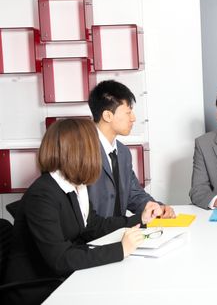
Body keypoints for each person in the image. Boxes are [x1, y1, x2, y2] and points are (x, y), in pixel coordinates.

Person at [3, 119, 161, 305]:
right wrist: (120, 249)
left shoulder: (75, 186)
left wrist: (139, 219)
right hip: (38, 289)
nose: (98, 154)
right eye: (93, 147)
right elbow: (60, 259)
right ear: (78, 152)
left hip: (63, 278)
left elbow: (93, 225)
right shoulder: (43, 194)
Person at [87, 80, 175, 218]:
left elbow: (132, 194)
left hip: (119, 233)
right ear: (107, 116)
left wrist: (156, 207)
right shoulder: (81, 150)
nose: (133, 118)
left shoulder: (122, 152)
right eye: (128, 112)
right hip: (90, 236)